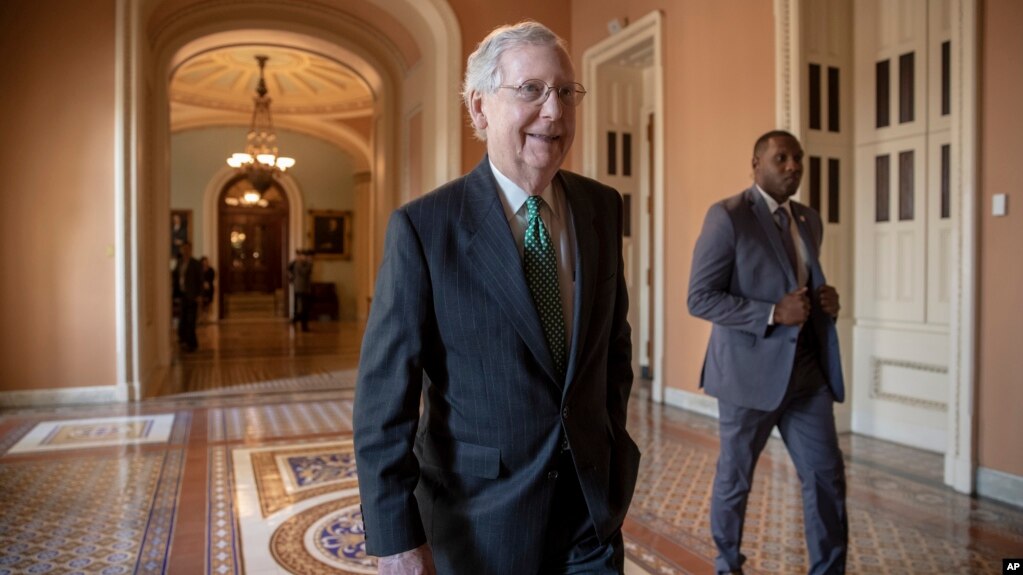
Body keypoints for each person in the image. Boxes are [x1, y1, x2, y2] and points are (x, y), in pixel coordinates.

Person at [354, 20, 639, 575]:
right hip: (478, 522)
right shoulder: (424, 228)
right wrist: (395, 539)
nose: (554, 112)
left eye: (564, 92)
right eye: (531, 90)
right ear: (480, 107)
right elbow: (384, 399)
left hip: (590, 517)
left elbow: (614, 351)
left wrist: (610, 450)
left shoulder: (601, 208)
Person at [687, 130, 847, 575]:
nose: (793, 166)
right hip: (746, 377)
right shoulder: (728, 217)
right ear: (756, 164)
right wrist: (772, 312)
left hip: (807, 375)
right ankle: (727, 566)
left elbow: (803, 286)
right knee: (735, 482)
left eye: (798, 158)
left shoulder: (809, 220)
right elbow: (700, 297)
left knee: (826, 479)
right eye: (781, 158)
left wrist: (827, 301)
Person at [173, 241, 203, 352]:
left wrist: (199, 295)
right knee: (182, 320)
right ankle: (183, 341)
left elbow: (200, 280)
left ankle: (192, 344)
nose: (185, 251)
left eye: (187, 249)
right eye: (183, 249)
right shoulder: (179, 263)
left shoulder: (195, 264)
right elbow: (176, 278)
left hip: (192, 296)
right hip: (182, 296)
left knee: (191, 321)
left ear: (190, 250)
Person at [288, 249, 313, 331]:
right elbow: (304, 273)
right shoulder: (299, 264)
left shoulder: (301, 263)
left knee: (303, 307)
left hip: (303, 288)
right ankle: (300, 323)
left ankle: (296, 320)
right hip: (301, 288)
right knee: (303, 307)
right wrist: (310, 264)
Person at [200, 256, 215, 322]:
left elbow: (212, 278)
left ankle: (207, 318)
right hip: (202, 289)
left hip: (209, 289)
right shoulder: (200, 270)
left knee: (208, 303)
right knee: (202, 303)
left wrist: (208, 284)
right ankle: (202, 318)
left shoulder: (211, 270)